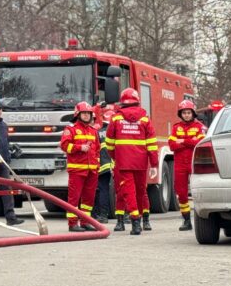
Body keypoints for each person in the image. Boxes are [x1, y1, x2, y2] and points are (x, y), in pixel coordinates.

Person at [104, 88, 158, 235]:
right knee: (141, 191)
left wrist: (116, 156)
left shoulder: (115, 119)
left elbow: (109, 142)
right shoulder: (145, 119)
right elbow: (152, 144)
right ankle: (140, 219)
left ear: (122, 102)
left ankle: (135, 222)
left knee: (128, 191)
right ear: (137, 101)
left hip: (124, 162)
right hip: (141, 162)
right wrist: (154, 163)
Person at [59, 102, 100, 232]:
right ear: (78, 114)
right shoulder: (70, 129)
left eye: (89, 113)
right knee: (74, 198)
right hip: (77, 170)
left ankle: (85, 222)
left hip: (91, 170)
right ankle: (72, 224)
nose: (87, 116)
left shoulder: (93, 131)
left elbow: (97, 150)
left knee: (88, 198)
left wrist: (97, 165)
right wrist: (79, 148)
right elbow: (64, 146)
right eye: (84, 113)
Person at [168, 99, 206, 232]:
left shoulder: (199, 126)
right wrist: (190, 141)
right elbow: (172, 145)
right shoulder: (175, 127)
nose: (186, 115)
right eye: (184, 113)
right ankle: (186, 220)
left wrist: (182, 141)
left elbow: (199, 142)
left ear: (193, 113)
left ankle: (203, 218)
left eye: (189, 112)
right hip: (180, 165)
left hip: (194, 163)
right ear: (180, 114)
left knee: (199, 192)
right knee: (182, 194)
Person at [94, 105, 115, 223]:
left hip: (102, 166)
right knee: (122, 191)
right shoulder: (117, 131)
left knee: (103, 189)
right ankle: (126, 216)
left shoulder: (98, 132)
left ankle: (103, 215)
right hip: (116, 164)